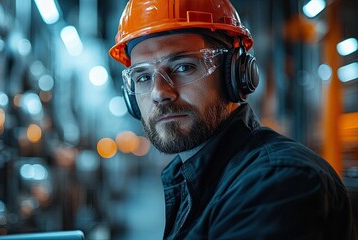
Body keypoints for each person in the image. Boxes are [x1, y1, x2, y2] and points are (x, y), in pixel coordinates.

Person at [109, 0, 357, 239]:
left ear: (235, 74)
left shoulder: (277, 182)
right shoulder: (193, 179)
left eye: (183, 67)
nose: (159, 93)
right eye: (142, 77)